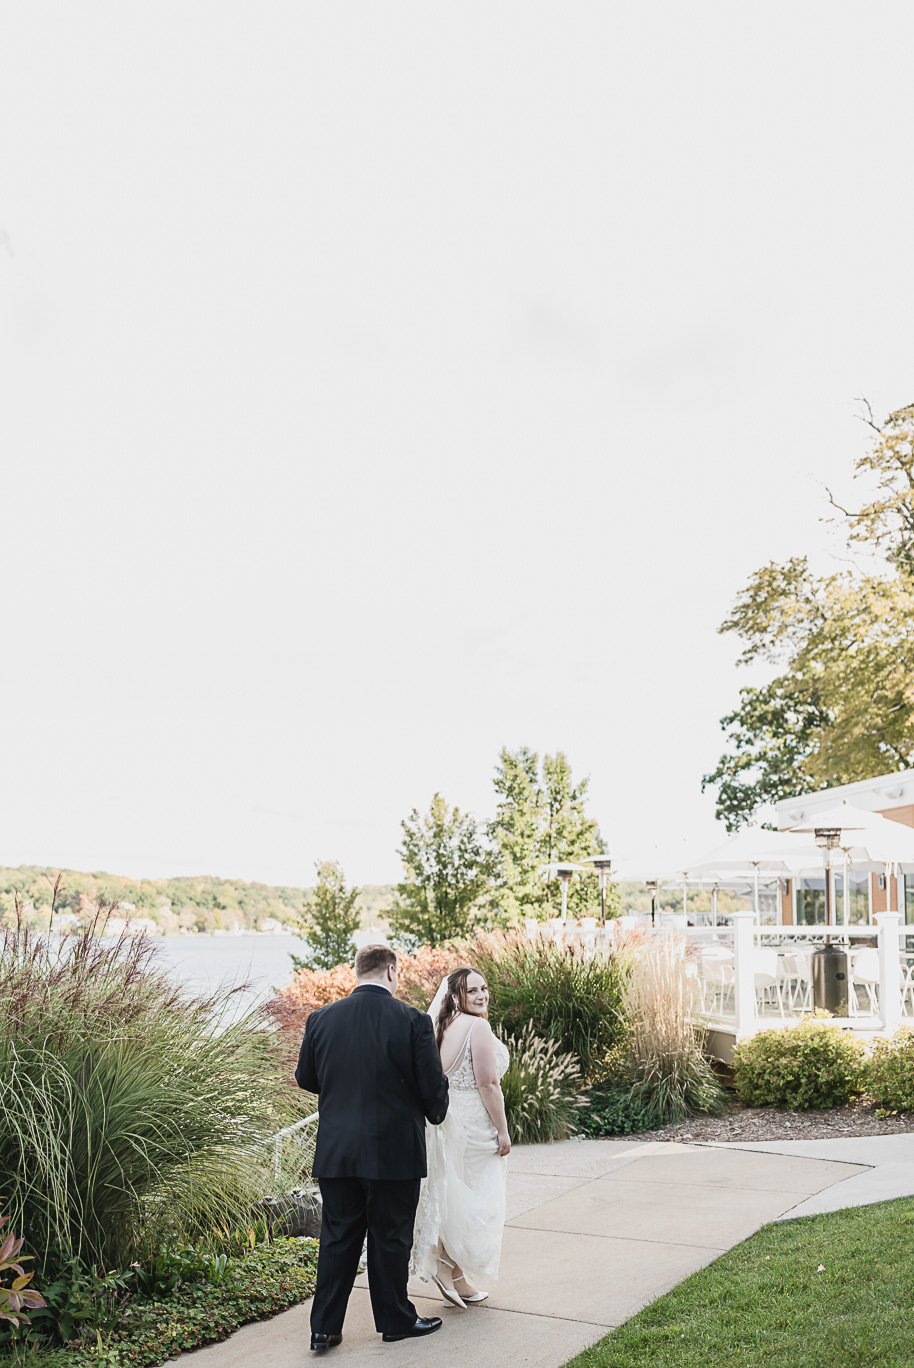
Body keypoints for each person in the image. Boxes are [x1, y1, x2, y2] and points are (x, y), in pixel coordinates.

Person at [295, 944, 449, 1353]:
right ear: (392, 973)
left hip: (337, 1149)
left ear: (357, 972)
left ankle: (323, 1328)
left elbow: (306, 1077)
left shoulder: (320, 1018)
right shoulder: (412, 1021)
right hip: (394, 1150)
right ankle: (395, 1321)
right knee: (390, 1236)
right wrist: (436, 1111)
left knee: (338, 1238)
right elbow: (432, 1086)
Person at [411, 966, 510, 1308]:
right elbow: (488, 1084)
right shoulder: (477, 1026)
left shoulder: (445, 1024)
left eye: (484, 988)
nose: (481, 995)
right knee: (475, 1201)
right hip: (472, 1125)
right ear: (456, 996)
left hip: (447, 1120)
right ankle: (444, 1266)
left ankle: (454, 1275)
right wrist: (503, 1130)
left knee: (453, 1197)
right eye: (472, 991)